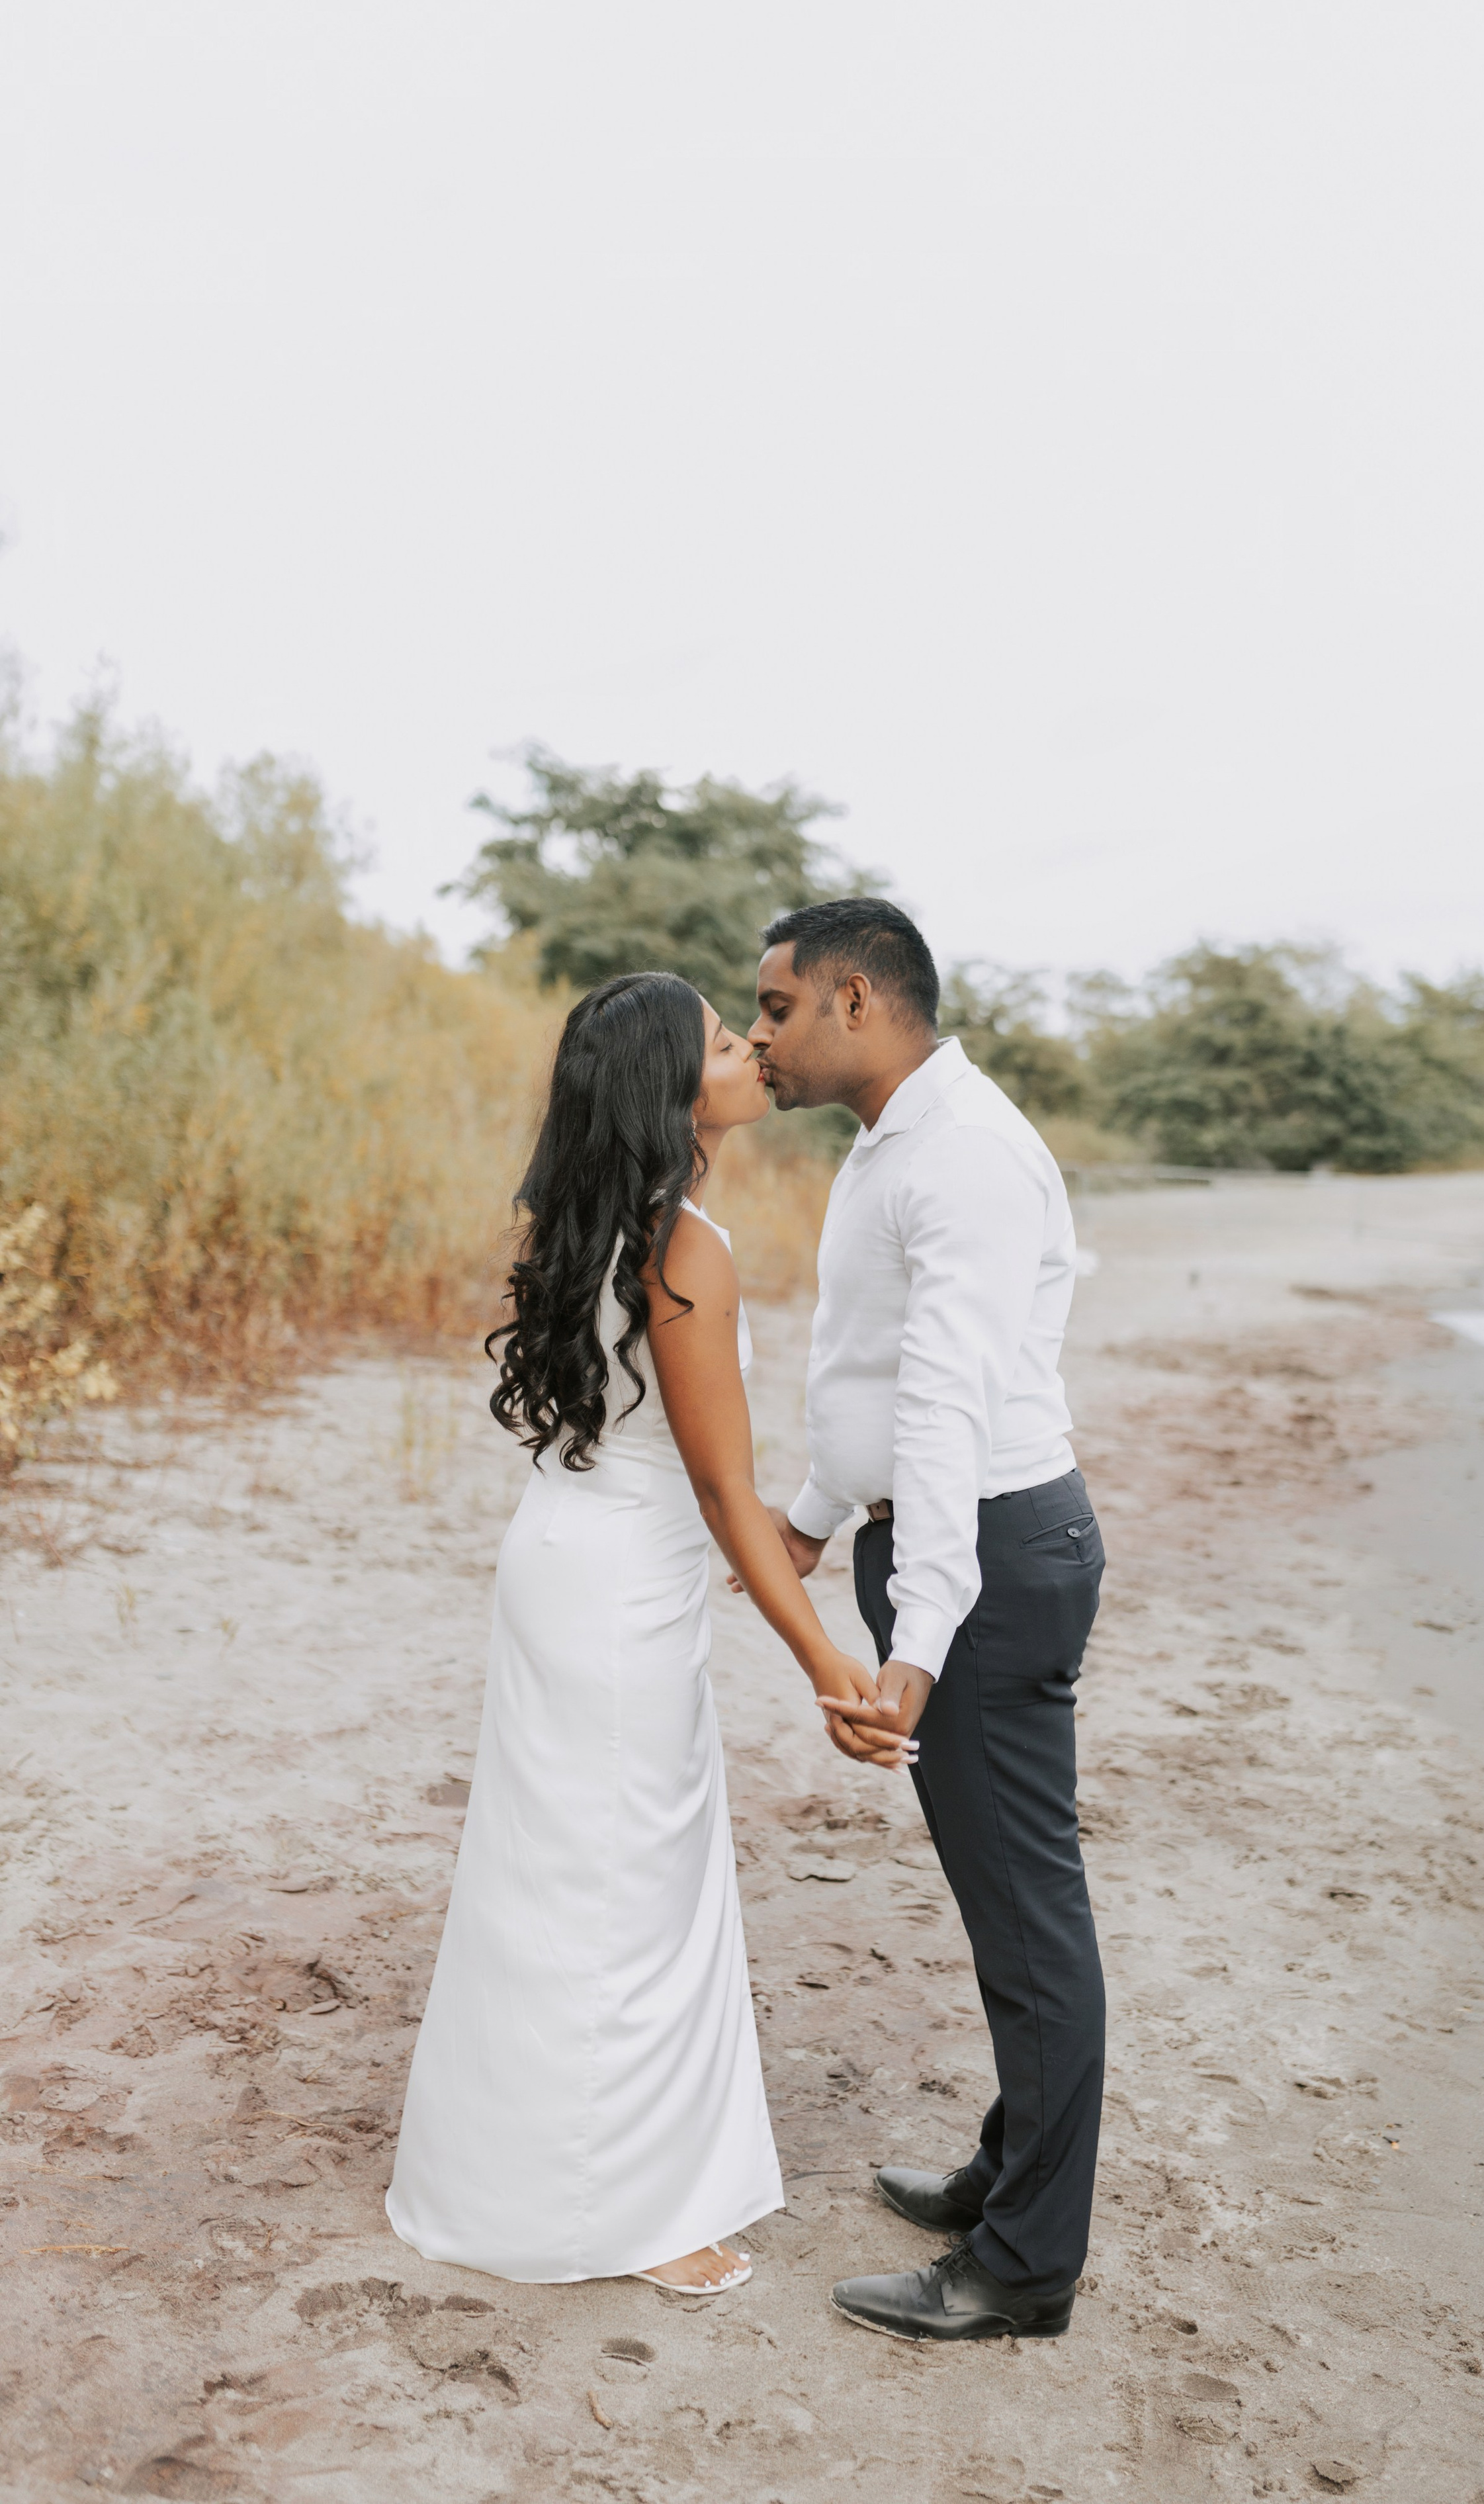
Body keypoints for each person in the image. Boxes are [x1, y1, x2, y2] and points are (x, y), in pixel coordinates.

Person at [386, 971, 908, 2299]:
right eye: (724, 1041)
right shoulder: (686, 1246)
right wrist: (826, 1664)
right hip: (613, 1597)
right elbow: (726, 1490)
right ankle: (621, 2211)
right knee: (622, 1889)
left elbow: (701, 1487)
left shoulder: (604, 1225)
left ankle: (529, 2170)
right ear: (670, 1091)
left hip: (565, 1563)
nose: (750, 1048)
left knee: (551, 1879)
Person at [745, 899, 1107, 2343]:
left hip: (990, 1560)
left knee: (1028, 1922)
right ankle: (1004, 2175)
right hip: (956, 1548)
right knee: (1003, 1907)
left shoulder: (956, 1154)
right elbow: (876, 1370)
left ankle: (1024, 2268)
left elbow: (948, 1411)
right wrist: (814, 1518)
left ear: (850, 998)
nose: (757, 1035)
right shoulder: (900, 1135)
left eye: (771, 1009)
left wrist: (914, 1645)